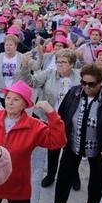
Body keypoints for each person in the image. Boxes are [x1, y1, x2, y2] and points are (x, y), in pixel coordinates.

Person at [41, 64, 102, 203]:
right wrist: (59, 136)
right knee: (64, 175)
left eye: (91, 84)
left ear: (100, 83)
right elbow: (62, 116)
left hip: (98, 148)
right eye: (84, 82)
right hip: (72, 143)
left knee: (96, 182)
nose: (86, 87)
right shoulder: (74, 92)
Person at [27, 49, 79, 188]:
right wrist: (25, 68)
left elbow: (97, 82)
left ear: (72, 64)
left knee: (72, 149)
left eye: (64, 62)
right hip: (51, 118)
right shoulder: (49, 74)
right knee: (53, 148)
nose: (60, 64)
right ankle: (50, 175)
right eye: (58, 62)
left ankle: (74, 175)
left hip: (72, 119)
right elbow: (32, 82)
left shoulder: (79, 76)